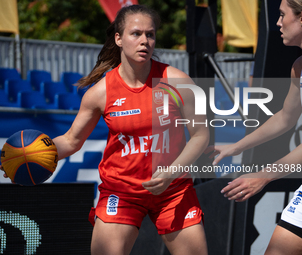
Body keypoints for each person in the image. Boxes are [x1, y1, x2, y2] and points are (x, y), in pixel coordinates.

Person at [51, 5, 209, 255]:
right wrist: (31, 155)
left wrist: (170, 173)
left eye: (150, 34)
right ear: (118, 38)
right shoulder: (100, 93)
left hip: (173, 189)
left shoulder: (177, 81)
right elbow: (71, 141)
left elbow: (201, 136)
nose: (145, 41)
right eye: (136, 34)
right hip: (122, 191)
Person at [204, 0, 302, 254]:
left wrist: (263, 175)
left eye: (282, 15)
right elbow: (285, 117)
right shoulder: (298, 67)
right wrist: (236, 146)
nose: (278, 23)